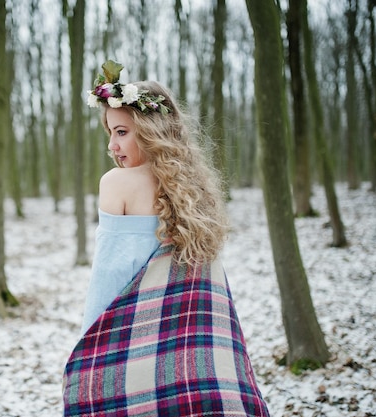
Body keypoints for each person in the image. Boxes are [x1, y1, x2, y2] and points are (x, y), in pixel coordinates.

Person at [63, 60, 270, 417]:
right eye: (110, 133)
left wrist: (89, 345)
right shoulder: (194, 190)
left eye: (122, 132)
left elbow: (111, 274)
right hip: (195, 359)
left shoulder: (116, 183)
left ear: (150, 127)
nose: (112, 145)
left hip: (134, 350)